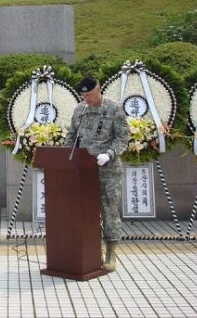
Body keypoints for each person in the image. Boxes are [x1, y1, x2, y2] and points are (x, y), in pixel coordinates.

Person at [66, 76, 129, 272]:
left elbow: (123, 138)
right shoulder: (80, 110)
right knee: (87, 212)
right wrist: (66, 156)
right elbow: (71, 135)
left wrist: (109, 154)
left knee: (109, 209)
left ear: (99, 90)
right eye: (84, 96)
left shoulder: (113, 109)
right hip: (84, 170)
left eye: (90, 95)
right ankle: (93, 251)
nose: (87, 99)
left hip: (107, 170)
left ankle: (111, 253)